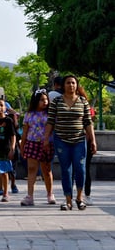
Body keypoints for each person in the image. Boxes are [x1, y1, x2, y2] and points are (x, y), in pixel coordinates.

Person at [44, 75, 97, 211]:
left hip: (79, 140)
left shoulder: (83, 102)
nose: (71, 85)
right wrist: (46, 139)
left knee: (80, 169)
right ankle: (68, 200)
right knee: (66, 170)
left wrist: (93, 140)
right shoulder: (56, 102)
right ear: (63, 85)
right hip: (61, 140)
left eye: (73, 83)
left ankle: (79, 198)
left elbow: (88, 122)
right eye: (68, 83)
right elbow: (50, 121)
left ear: (76, 85)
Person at [20, 89, 56, 206]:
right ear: (35, 101)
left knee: (46, 170)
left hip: (46, 144)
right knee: (31, 169)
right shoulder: (29, 114)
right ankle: (30, 196)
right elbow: (25, 133)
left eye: (46, 99)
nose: (44, 102)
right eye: (41, 100)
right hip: (32, 143)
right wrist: (22, 146)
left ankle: (50, 194)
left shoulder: (50, 114)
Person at [77, 86, 96, 206]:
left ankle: (87, 195)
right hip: (72, 140)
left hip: (85, 141)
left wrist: (90, 139)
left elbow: (89, 124)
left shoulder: (86, 107)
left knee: (85, 169)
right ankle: (73, 195)